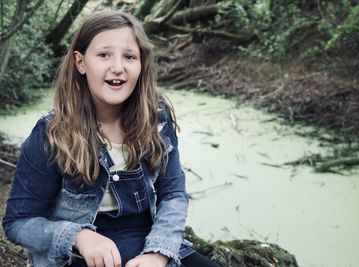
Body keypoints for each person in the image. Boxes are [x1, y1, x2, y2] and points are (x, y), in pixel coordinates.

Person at [2, 10, 219, 267]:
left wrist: (159, 253)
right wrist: (78, 236)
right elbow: (18, 222)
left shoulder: (157, 120)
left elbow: (173, 195)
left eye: (129, 56)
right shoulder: (51, 133)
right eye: (104, 55)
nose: (118, 67)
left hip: (149, 245)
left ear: (142, 64)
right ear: (80, 62)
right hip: (76, 256)